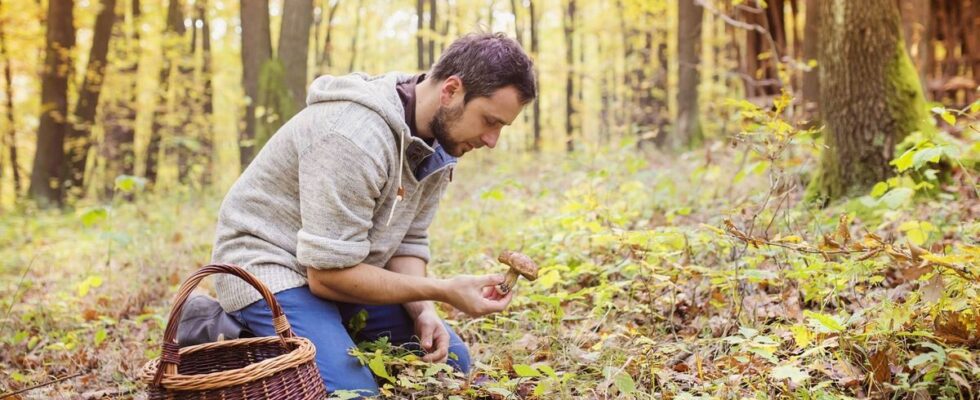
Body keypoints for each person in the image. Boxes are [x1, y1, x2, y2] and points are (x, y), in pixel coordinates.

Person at [205, 32, 537, 396]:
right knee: (355, 393)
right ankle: (237, 338)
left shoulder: (442, 142)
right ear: (451, 90)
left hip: (341, 268)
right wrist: (443, 290)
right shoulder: (353, 137)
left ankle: (326, 330)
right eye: (489, 121)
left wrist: (423, 310)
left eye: (501, 127)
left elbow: (408, 239)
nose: (492, 141)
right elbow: (327, 275)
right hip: (270, 269)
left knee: (453, 361)